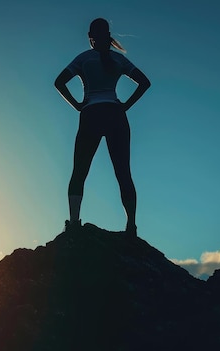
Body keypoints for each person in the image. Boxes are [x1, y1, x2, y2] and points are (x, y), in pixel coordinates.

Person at [54, 18, 150, 237]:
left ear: (90, 36)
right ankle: (131, 226)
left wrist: (77, 104)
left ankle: (74, 223)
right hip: (115, 114)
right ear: (108, 35)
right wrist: (125, 105)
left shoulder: (84, 58)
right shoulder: (118, 59)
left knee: (80, 170)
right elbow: (145, 82)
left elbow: (59, 82)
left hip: (91, 115)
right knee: (123, 172)